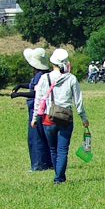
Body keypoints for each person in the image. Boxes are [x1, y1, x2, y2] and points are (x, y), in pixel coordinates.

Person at [32, 47, 88, 184]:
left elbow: (38, 100)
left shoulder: (45, 78)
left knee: (53, 149)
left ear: (52, 63)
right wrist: (83, 118)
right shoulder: (72, 79)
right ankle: (59, 178)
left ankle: (58, 176)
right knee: (63, 149)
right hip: (66, 118)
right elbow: (78, 102)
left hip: (48, 118)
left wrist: (34, 118)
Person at [12, 46, 53, 173]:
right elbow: (33, 87)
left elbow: (36, 94)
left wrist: (19, 94)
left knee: (36, 137)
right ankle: (47, 162)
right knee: (44, 136)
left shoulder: (39, 75)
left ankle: (38, 164)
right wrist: (20, 85)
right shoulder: (43, 74)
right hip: (42, 109)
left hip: (36, 109)